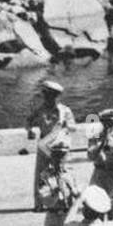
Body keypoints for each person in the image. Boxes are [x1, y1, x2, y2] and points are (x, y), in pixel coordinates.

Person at [26, 80, 75, 211]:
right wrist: (30, 130)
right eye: (45, 95)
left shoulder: (64, 111)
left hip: (59, 145)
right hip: (44, 144)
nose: (47, 98)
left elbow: (73, 127)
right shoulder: (39, 110)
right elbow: (29, 121)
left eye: (50, 95)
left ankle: (63, 199)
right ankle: (39, 203)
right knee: (40, 174)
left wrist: (66, 126)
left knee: (61, 172)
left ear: (55, 96)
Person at [87, 109, 113, 192]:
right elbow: (90, 156)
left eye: (111, 123)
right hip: (99, 174)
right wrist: (101, 144)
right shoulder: (94, 137)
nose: (108, 125)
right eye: (106, 122)